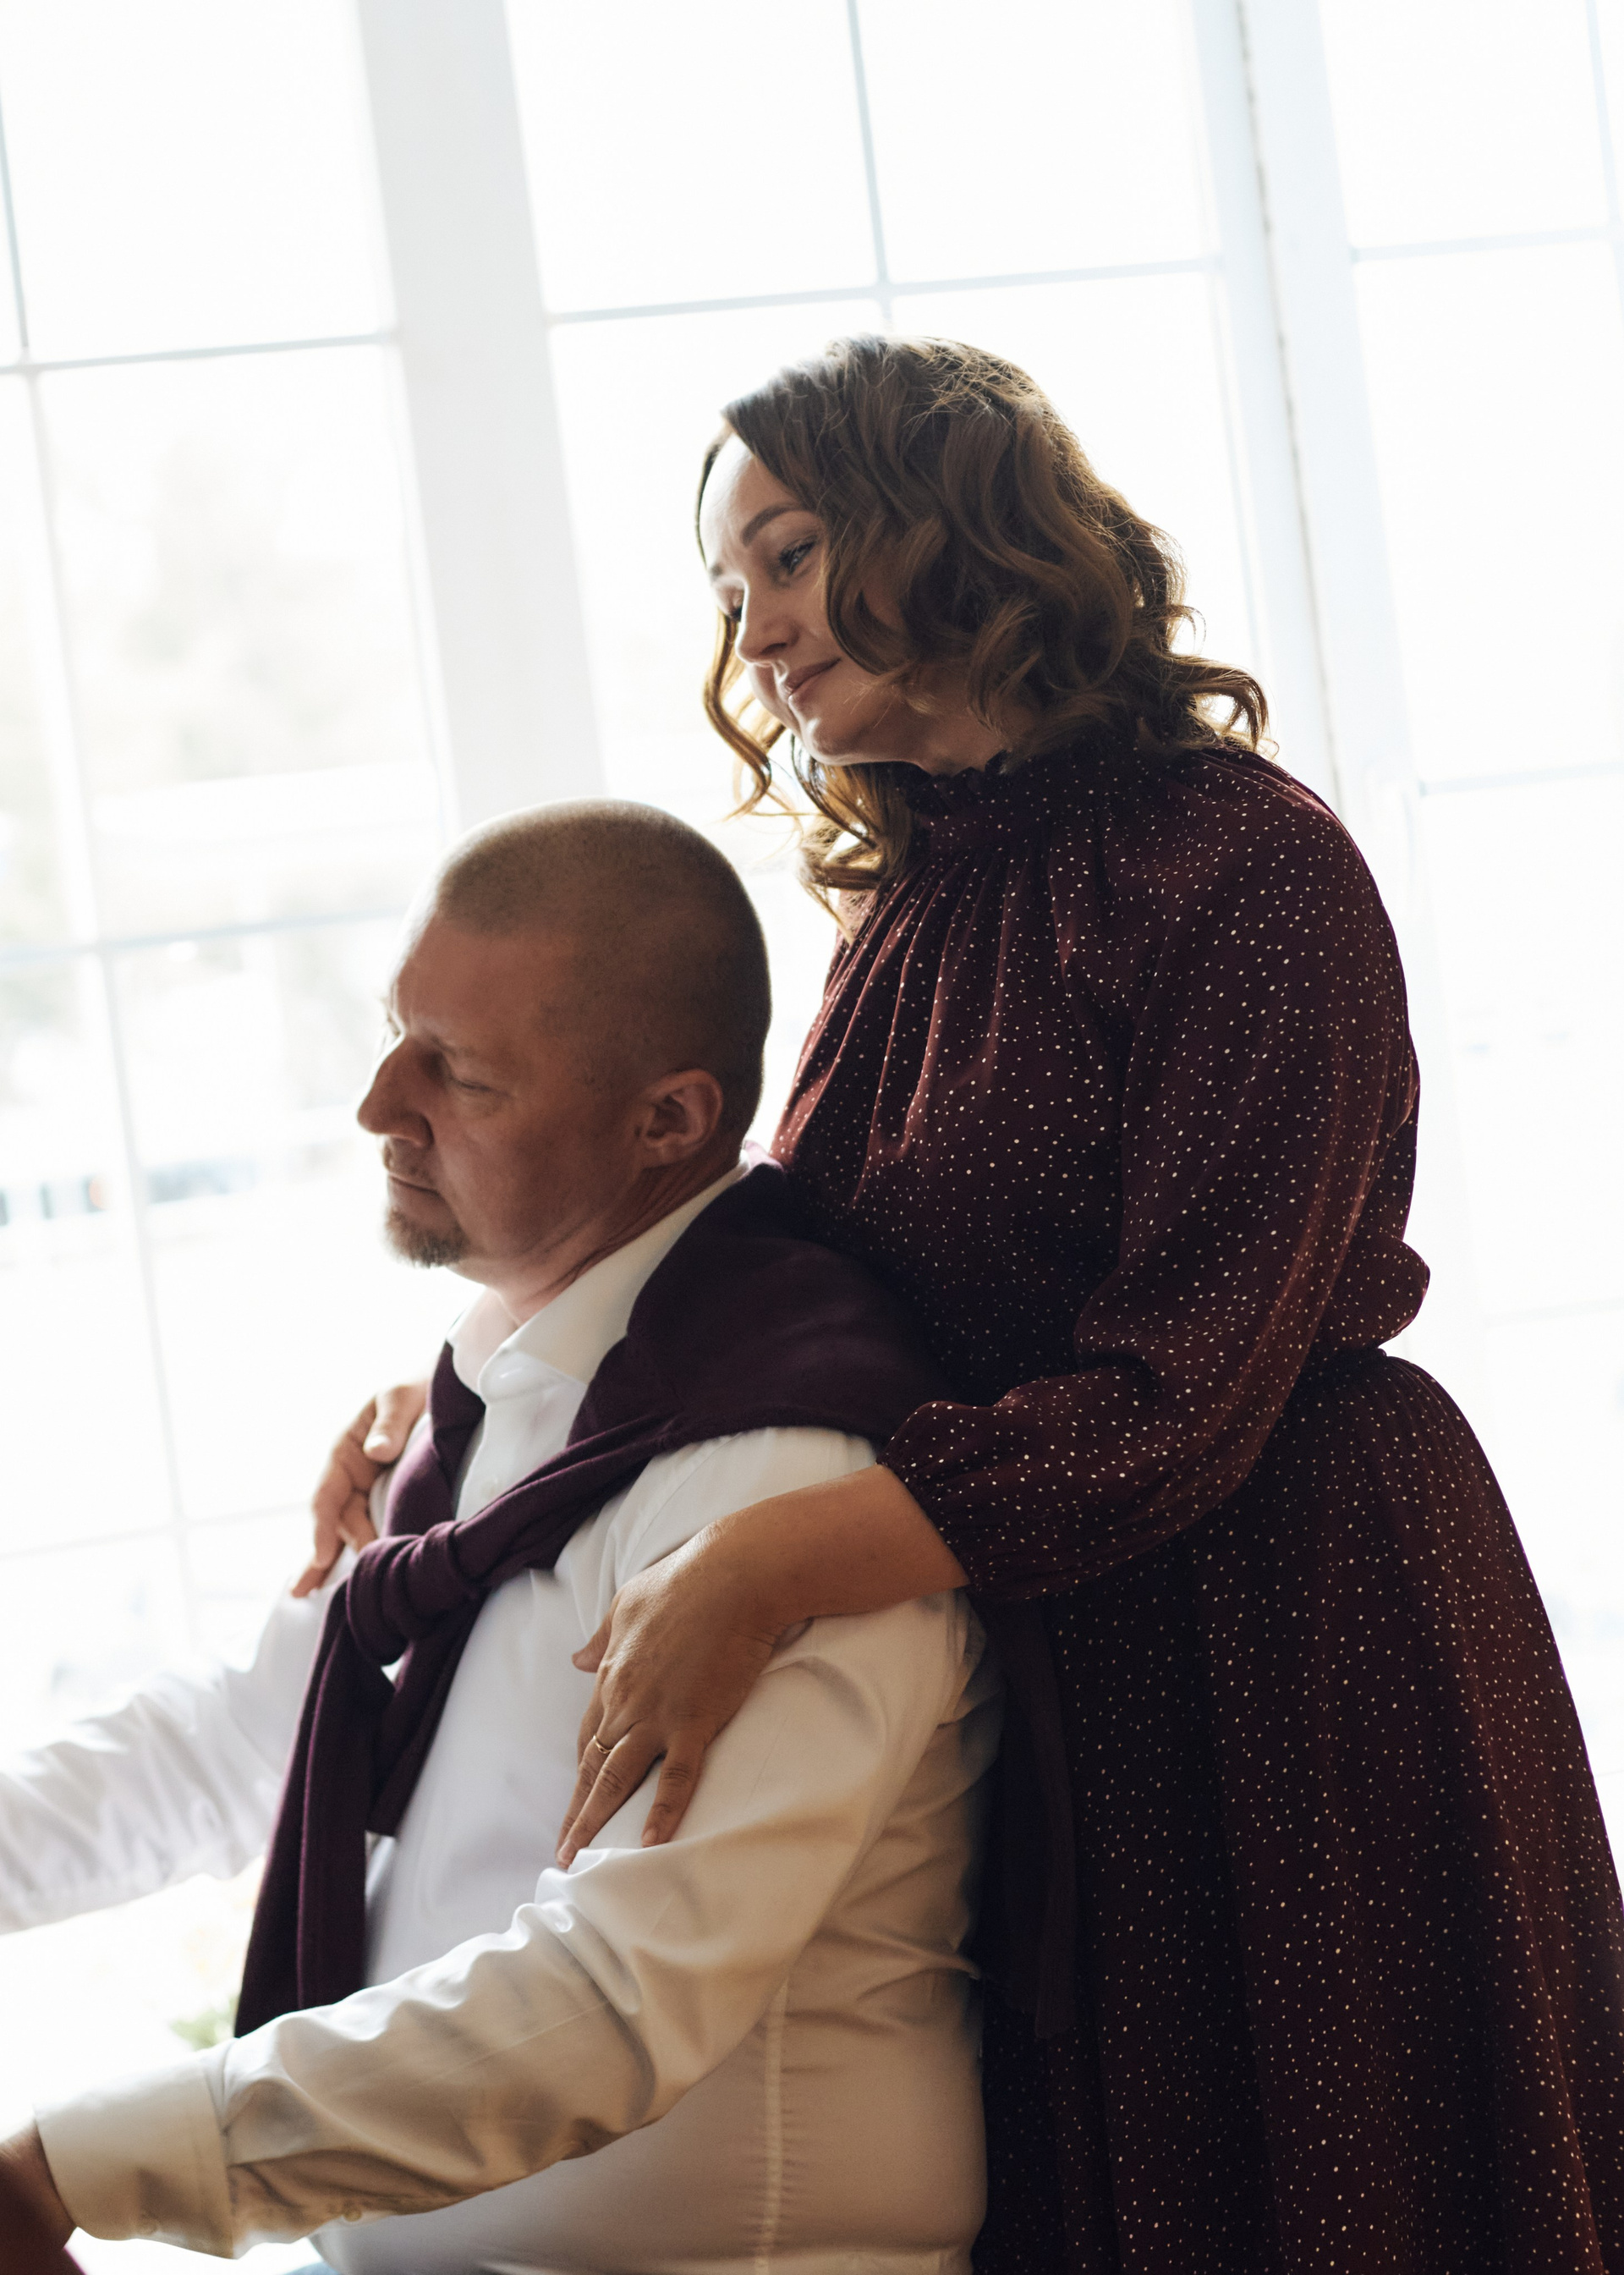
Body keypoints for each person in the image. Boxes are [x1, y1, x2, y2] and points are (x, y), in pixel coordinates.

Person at [316, 332, 1624, 2274]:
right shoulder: (916, 897)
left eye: (787, 555)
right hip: (1049, 1632)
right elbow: (773, 1273)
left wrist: (774, 1555)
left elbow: (1188, 1386)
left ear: (952, 524)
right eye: (730, 587)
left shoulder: (1248, 866)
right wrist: (462, 1403)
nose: (754, 629)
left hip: (1288, 1632)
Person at [0, 801, 1001, 2273]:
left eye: (456, 1073)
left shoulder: (779, 1481)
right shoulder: (510, 1392)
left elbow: (616, 2001)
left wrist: (77, 2165)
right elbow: (251, 1737)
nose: (376, 1104)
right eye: (396, 1033)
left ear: (668, 1121)